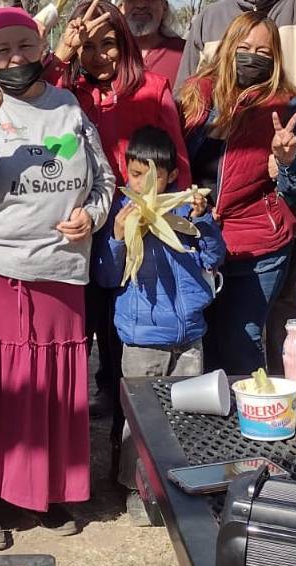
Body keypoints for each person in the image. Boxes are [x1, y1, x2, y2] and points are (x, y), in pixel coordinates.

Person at [0, 7, 115, 550]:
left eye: (25, 47)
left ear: (41, 48)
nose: (15, 59)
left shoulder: (69, 108)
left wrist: (93, 216)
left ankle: (44, 488)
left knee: (45, 388)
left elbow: (102, 179)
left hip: (57, 270)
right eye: (1, 50)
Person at [47, 0, 191, 418]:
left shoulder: (151, 88)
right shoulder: (68, 93)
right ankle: (80, 403)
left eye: (107, 43)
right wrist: (63, 54)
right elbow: (35, 103)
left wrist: (175, 208)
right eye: (87, 47)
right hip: (78, 223)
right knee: (83, 317)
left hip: (134, 226)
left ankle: (119, 403)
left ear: (124, 42)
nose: (98, 56)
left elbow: (176, 160)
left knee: (122, 321)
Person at [93, 125, 223, 524]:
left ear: (170, 177)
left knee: (185, 415)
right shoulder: (120, 214)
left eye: (154, 175)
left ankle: (178, 484)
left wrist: (206, 224)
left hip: (188, 337)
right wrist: (117, 237)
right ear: (125, 173)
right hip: (142, 339)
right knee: (139, 421)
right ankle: (135, 487)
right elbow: (106, 276)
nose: (144, 183)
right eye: (135, 175)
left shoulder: (187, 212)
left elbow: (215, 258)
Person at [179, 13, 296, 375]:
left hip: (256, 248)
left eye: (263, 52)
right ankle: (203, 426)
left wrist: (287, 162)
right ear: (227, 49)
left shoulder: (288, 105)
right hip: (198, 244)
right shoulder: (195, 96)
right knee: (199, 347)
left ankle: (248, 422)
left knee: (242, 346)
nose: (253, 58)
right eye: (244, 48)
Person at [119, 0, 187, 85]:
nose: (140, 5)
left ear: (164, 6)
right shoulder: (110, 51)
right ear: (122, 7)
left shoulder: (184, 52)